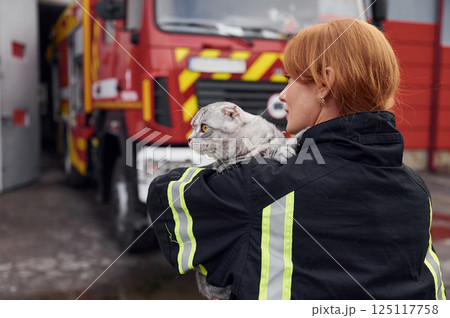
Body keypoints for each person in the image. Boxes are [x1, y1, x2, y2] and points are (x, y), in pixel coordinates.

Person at [147, 19, 446, 300]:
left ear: (325, 83)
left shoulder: (259, 185)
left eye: (290, 80)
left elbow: (165, 195)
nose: (282, 95)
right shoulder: (416, 190)